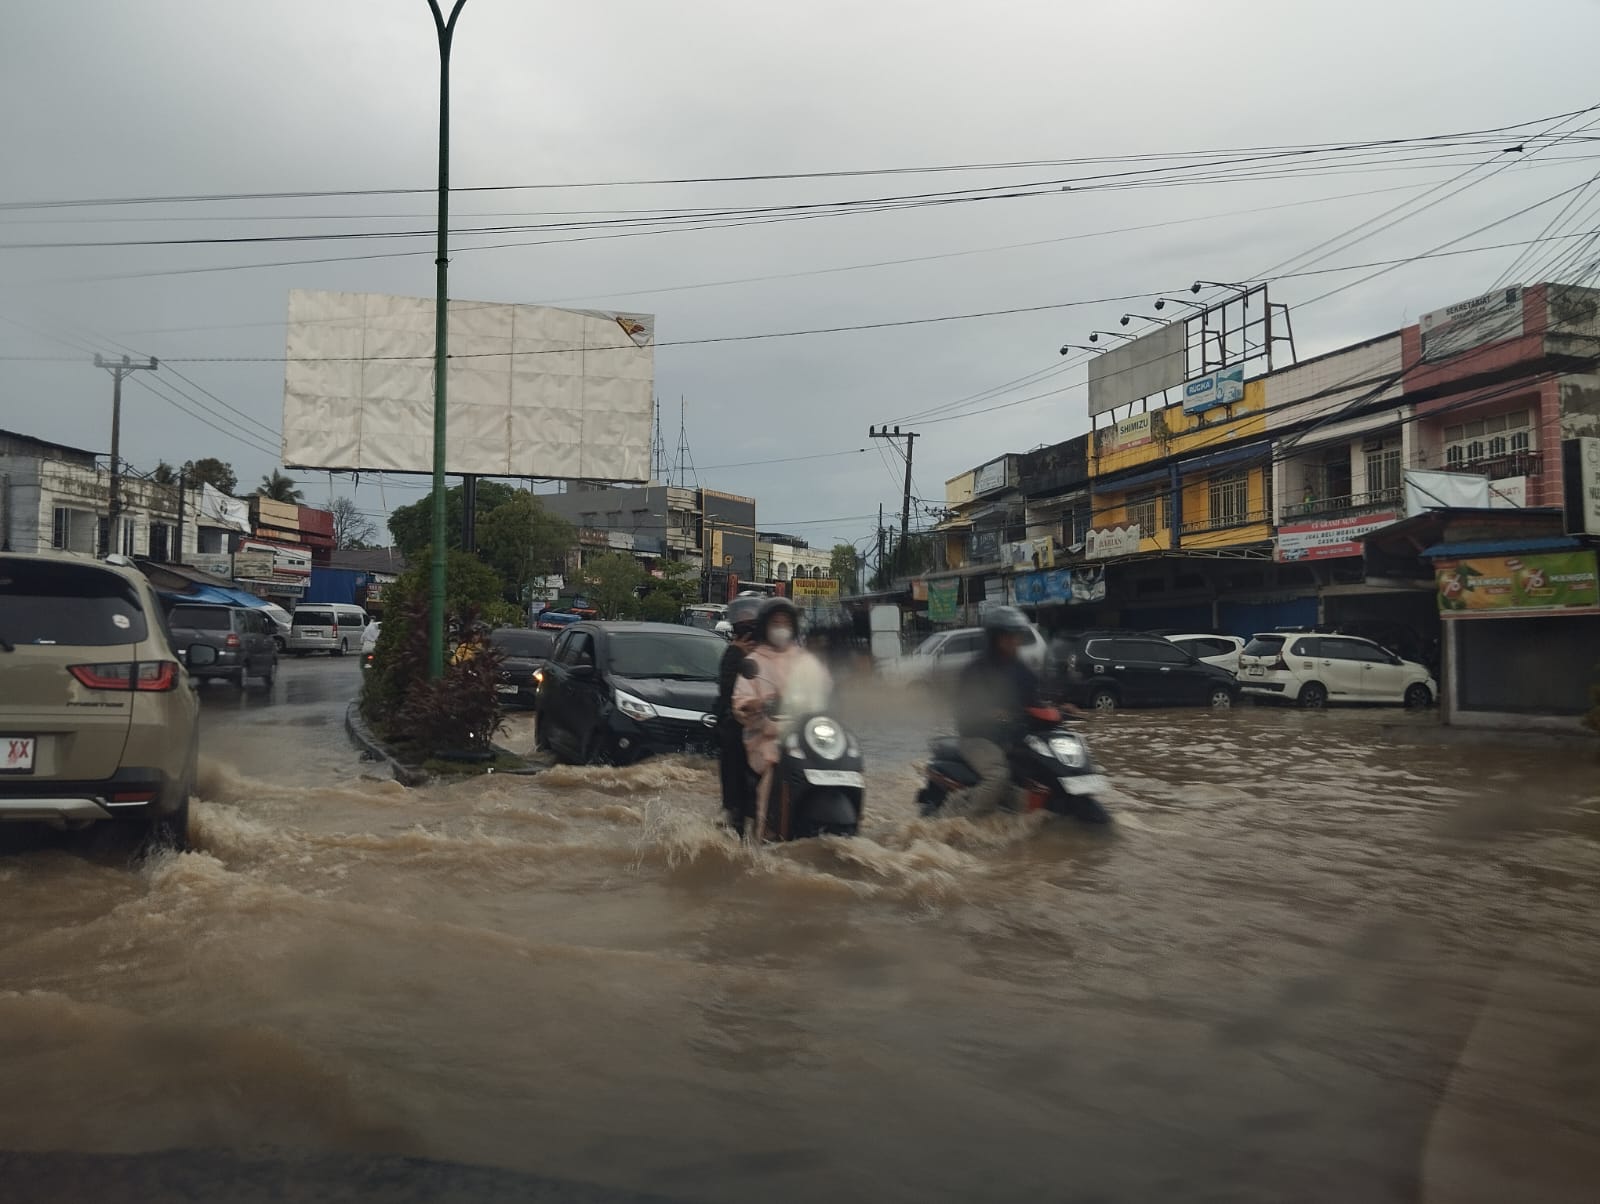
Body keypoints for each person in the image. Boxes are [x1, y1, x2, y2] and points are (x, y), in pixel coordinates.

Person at [943, 606, 1046, 817]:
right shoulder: (975, 671)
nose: (1014, 641)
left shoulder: (1021, 669)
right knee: (998, 775)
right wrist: (989, 713)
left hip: (1011, 738)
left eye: (1016, 636)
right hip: (976, 738)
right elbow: (963, 711)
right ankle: (964, 823)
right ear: (994, 639)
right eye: (1008, 637)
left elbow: (1035, 700)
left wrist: (1061, 709)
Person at [734, 597, 832, 807]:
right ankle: (765, 829)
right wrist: (755, 704)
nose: (781, 628)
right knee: (773, 768)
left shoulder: (805, 659)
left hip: (807, 734)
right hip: (767, 737)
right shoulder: (754, 661)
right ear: (765, 627)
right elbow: (741, 699)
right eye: (776, 623)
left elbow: (825, 685)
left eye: (786, 623)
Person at [713, 596, 762, 832]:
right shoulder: (731, 654)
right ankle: (732, 810)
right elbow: (727, 692)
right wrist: (736, 655)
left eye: (751, 618)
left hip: (772, 726)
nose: (747, 625)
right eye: (742, 620)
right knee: (732, 743)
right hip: (739, 724)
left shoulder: (774, 651)